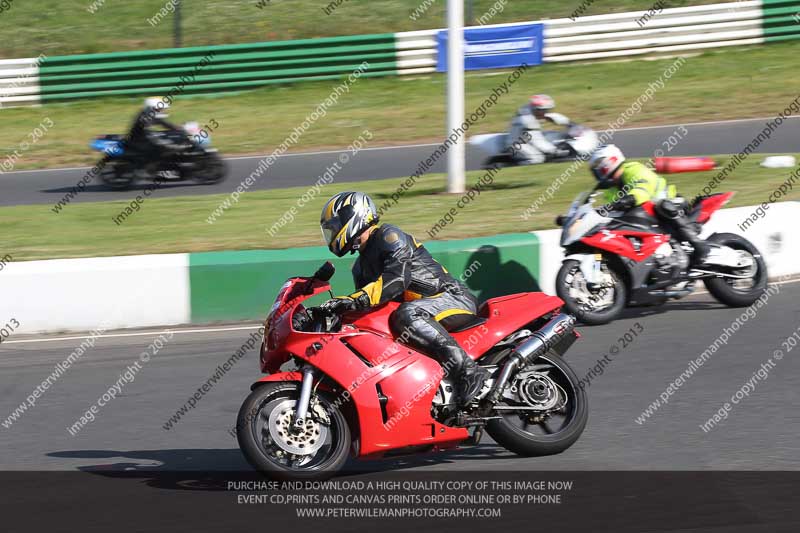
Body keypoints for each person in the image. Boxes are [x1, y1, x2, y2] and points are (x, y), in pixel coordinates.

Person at [318, 191, 490, 408]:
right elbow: (370, 311)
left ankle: (468, 371)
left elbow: (396, 279)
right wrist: (335, 315)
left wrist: (355, 299)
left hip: (450, 298)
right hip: (424, 311)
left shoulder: (389, 236)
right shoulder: (359, 268)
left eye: (334, 226)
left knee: (407, 314)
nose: (332, 233)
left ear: (354, 217)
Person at [588, 144, 710, 264]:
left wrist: (628, 199)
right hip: (645, 218)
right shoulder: (611, 189)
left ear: (611, 160)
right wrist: (599, 213)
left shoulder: (634, 169)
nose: (596, 170)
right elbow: (611, 208)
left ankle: (698, 244)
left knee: (663, 205)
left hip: (672, 204)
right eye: (595, 167)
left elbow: (642, 189)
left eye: (599, 165)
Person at [507, 94, 571, 164]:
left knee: (553, 134)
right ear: (538, 109)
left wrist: (569, 123)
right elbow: (537, 140)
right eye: (545, 110)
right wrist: (554, 151)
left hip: (526, 141)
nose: (547, 112)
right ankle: (514, 167)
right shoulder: (527, 120)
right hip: (517, 146)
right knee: (537, 158)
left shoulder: (530, 110)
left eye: (547, 110)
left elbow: (551, 117)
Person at [126, 97, 184, 162]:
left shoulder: (150, 115)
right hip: (137, 143)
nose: (161, 110)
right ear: (152, 108)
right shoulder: (144, 118)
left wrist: (180, 128)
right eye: (159, 109)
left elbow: (165, 124)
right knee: (160, 152)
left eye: (162, 109)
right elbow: (147, 133)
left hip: (144, 140)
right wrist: (163, 143)